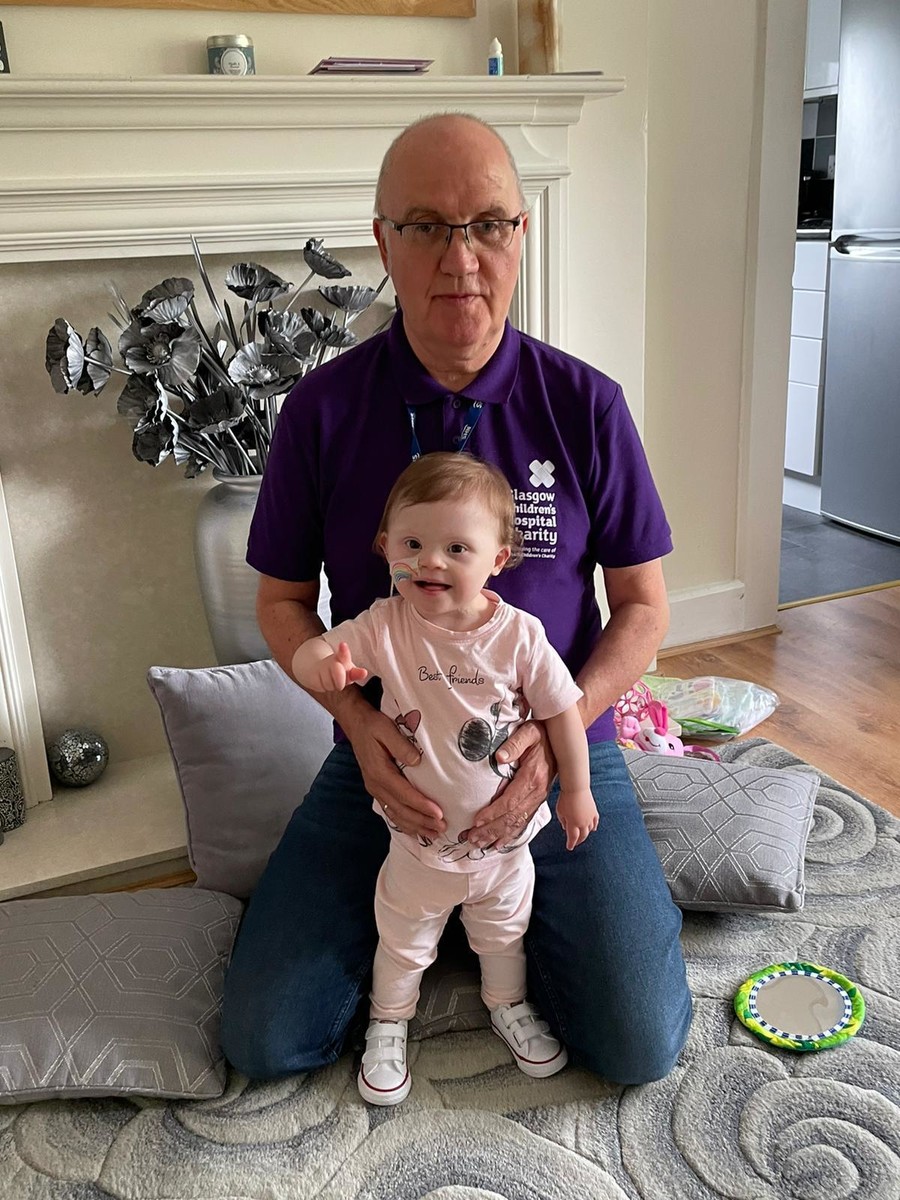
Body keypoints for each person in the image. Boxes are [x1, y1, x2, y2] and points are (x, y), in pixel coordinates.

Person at [220, 111, 692, 1087]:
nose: (461, 256)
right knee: (265, 1037)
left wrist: (547, 749)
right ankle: (455, 918)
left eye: (487, 224)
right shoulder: (319, 412)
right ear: (384, 241)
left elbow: (643, 606)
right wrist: (355, 725)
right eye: (428, 226)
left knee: (641, 1043)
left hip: (558, 747)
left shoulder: (587, 406)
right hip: (389, 754)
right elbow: (279, 603)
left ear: (522, 234)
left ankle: (489, 920)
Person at [293, 451, 598, 1104]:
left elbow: (564, 714)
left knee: (504, 934)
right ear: (385, 549)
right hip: (419, 844)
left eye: (457, 547)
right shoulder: (385, 625)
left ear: (498, 559)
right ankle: (388, 1021)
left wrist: (575, 789)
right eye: (413, 544)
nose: (432, 560)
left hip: (504, 847)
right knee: (403, 941)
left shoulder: (521, 636)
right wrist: (322, 663)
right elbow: (317, 648)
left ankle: (507, 1005)